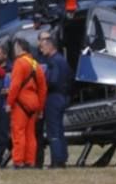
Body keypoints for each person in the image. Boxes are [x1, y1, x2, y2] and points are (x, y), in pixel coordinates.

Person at [7, 38, 46, 169]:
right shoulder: (36, 64)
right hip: (34, 104)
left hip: (21, 104)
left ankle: (18, 161)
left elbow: (15, 86)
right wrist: (40, 108)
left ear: (19, 48)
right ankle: (30, 161)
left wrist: (9, 102)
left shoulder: (19, 63)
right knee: (30, 134)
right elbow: (43, 88)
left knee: (18, 133)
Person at [38, 31, 73, 168]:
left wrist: (42, 83)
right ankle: (62, 157)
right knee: (59, 128)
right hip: (63, 96)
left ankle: (57, 160)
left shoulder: (53, 62)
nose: (42, 50)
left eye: (44, 47)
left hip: (53, 97)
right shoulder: (63, 60)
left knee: (53, 130)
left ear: (51, 46)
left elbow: (52, 81)